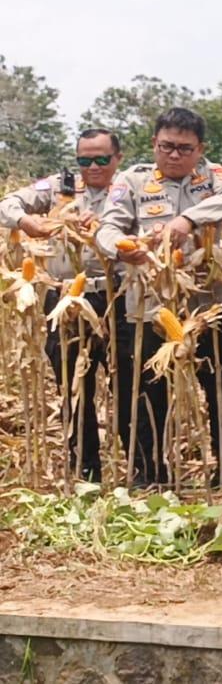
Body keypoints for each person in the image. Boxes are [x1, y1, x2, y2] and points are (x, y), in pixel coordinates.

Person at [96, 107, 222, 486]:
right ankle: (152, 473)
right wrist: (121, 248)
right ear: (154, 144)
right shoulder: (132, 181)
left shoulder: (213, 176)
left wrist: (188, 219)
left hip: (206, 304)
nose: (175, 155)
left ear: (200, 149)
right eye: (167, 147)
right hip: (149, 307)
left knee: (220, 387)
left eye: (184, 148)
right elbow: (107, 228)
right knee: (148, 392)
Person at [0, 127, 122, 480]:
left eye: (102, 159)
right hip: (65, 297)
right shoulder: (58, 187)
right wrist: (27, 221)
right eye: (85, 160)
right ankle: (85, 469)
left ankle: (140, 467)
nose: (93, 167)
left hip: (116, 295)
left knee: (127, 382)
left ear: (118, 158)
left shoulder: (129, 189)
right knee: (72, 384)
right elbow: (8, 203)